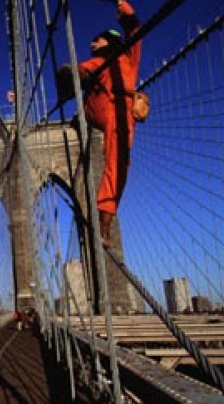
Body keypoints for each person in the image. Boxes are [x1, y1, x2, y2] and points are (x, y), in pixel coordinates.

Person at [55, 0, 141, 248]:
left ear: (109, 41)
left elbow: (134, 30)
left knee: (118, 163)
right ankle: (72, 86)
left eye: (97, 40)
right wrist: (73, 76)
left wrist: (121, 4)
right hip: (95, 109)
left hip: (119, 112)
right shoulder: (95, 62)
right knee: (84, 72)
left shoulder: (128, 58)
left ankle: (105, 223)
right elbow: (84, 69)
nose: (92, 43)